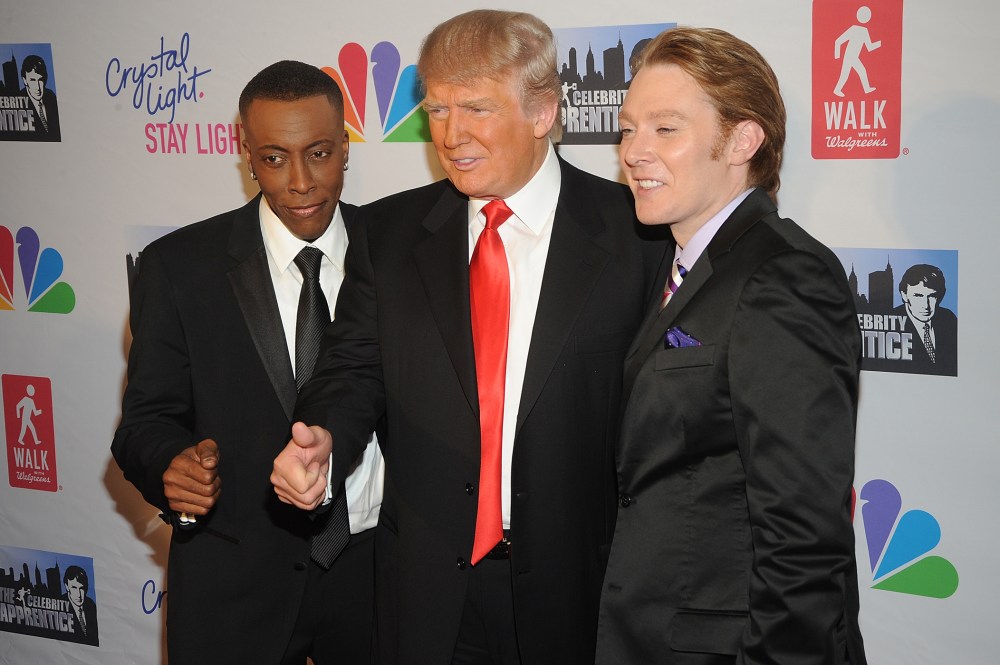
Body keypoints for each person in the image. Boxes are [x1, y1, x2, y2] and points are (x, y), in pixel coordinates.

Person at [271, 10, 667, 665]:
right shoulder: (388, 234)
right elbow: (351, 372)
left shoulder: (638, 237)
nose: (451, 135)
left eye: (476, 108)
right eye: (438, 109)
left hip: (578, 593)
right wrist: (323, 440)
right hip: (426, 592)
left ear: (543, 112)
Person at [596, 27, 868, 664]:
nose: (634, 151)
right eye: (628, 129)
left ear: (743, 141)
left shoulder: (784, 276)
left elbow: (803, 534)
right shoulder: (676, 264)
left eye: (665, 129)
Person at [111, 60, 383, 664]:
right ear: (246, 156)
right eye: (274, 158)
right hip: (234, 583)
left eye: (319, 153)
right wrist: (170, 464)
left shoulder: (398, 253)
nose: (301, 182)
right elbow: (144, 423)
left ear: (346, 147)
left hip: (378, 576)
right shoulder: (179, 267)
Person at [893, 263, 957, 375]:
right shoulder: (890, 321)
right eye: (918, 296)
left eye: (932, 296)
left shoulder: (948, 318)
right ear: (904, 295)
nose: (925, 305)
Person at [19, 54, 61, 141]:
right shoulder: (19, 101)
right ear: (25, 80)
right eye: (32, 80)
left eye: (40, 80)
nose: (37, 87)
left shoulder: (51, 96)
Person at [63, 565, 99, 646]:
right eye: (74, 588)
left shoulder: (91, 604)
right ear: (67, 587)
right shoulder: (59, 604)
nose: (78, 594)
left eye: (81, 588)